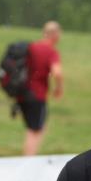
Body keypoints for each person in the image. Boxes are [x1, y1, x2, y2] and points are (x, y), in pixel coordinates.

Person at [20, 21, 64, 156]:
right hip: (37, 95)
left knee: (31, 128)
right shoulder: (51, 51)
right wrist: (58, 88)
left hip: (22, 94)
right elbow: (57, 73)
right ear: (55, 34)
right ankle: (28, 161)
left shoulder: (32, 47)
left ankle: (27, 159)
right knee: (35, 131)